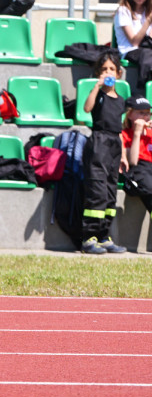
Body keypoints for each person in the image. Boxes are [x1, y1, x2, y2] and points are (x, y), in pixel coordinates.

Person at [79, 51, 127, 254]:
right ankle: (88, 238)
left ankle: (104, 236)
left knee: (110, 192)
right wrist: (96, 86)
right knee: (97, 190)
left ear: (119, 73)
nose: (108, 72)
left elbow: (120, 130)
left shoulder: (121, 100)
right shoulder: (98, 95)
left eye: (112, 69)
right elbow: (86, 108)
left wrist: (123, 155)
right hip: (99, 143)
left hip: (114, 145)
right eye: (104, 69)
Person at [121, 96, 152, 249]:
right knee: (149, 187)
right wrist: (138, 133)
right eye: (140, 113)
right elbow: (133, 161)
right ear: (130, 115)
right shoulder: (125, 134)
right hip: (138, 169)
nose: (145, 117)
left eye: (147, 113)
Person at [114, 0, 152, 83]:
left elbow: (149, 40)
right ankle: (144, 84)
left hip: (146, 51)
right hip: (129, 51)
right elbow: (134, 42)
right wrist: (148, 21)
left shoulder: (148, 11)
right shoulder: (123, 11)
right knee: (147, 55)